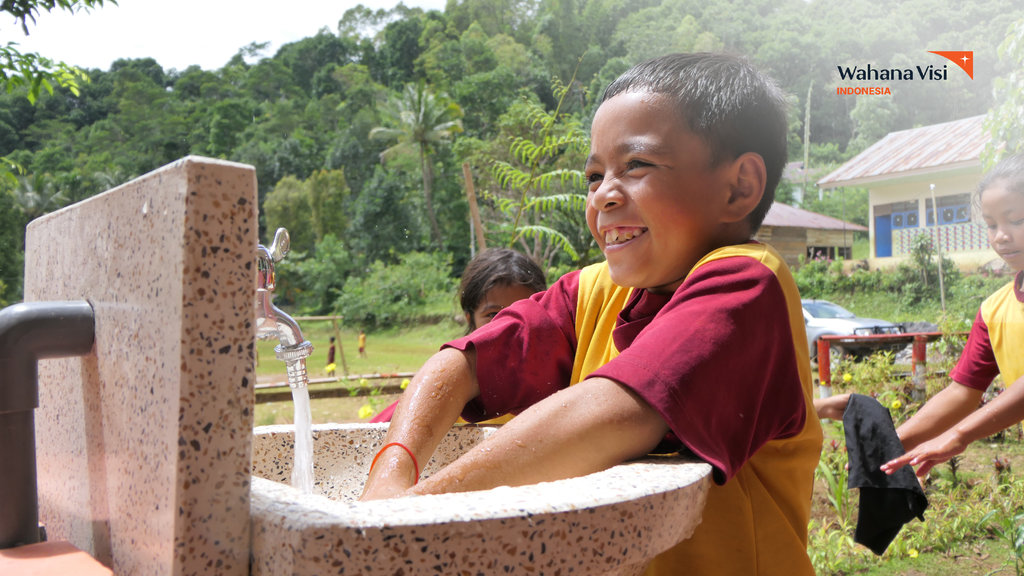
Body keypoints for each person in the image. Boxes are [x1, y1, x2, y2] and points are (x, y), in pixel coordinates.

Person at [361, 52, 822, 575]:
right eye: (594, 175)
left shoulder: (747, 282)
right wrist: (390, 470)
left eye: (637, 166)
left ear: (738, 187)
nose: (603, 195)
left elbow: (612, 413)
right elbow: (464, 362)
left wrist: (411, 514)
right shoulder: (593, 290)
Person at [883, 153, 1024, 478]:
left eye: (1016, 220)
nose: (1001, 235)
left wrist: (959, 435)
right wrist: (892, 444)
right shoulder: (994, 310)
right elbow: (963, 392)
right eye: (991, 224)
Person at [369, 248, 547, 423]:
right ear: (470, 319)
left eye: (522, 313)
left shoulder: (558, 386)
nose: (508, 326)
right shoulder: (448, 392)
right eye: (493, 315)